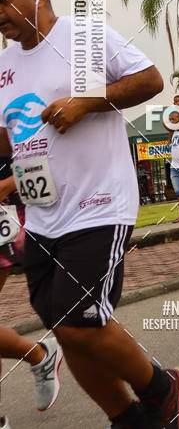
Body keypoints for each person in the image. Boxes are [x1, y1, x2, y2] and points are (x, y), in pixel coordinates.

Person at [0, 0, 179, 429]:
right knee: (67, 329)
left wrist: (85, 102)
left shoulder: (82, 35)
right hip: (43, 212)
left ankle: (162, 390)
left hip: (99, 203)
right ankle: (127, 419)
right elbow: (8, 140)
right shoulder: (4, 66)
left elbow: (149, 79)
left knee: (77, 320)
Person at [0, 161, 62, 427]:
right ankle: (38, 354)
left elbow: (34, 146)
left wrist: (12, 181)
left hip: (10, 207)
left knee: (81, 320)